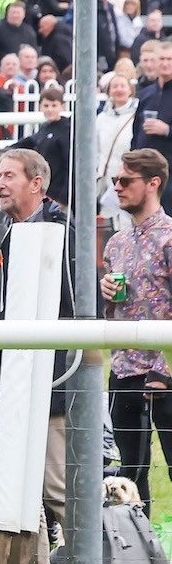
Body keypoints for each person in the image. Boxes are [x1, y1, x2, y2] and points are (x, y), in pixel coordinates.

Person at [0, 147, 72, 564]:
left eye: (9, 176)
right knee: (22, 483)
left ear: (36, 183)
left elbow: (74, 306)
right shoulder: (9, 231)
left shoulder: (60, 231)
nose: (0, 183)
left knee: (56, 485)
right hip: (16, 374)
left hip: (52, 377)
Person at [102, 148, 172, 515]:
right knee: (131, 472)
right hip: (124, 370)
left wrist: (163, 372)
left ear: (153, 183)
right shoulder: (115, 243)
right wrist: (107, 296)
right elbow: (112, 315)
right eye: (115, 180)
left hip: (166, 371)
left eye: (126, 181)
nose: (117, 187)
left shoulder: (170, 238)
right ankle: (139, 559)